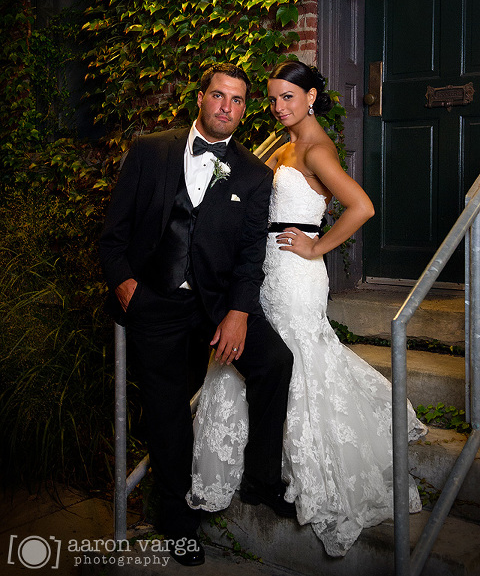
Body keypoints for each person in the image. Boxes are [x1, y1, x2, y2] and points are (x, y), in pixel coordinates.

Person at [188, 60, 427, 557]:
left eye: (288, 99)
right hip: (265, 273)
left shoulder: (316, 149)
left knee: (297, 358)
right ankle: (252, 467)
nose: (278, 108)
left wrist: (317, 248)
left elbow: (361, 206)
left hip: (296, 276)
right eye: (273, 99)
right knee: (258, 359)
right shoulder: (282, 144)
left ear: (312, 97)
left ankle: (288, 470)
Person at [99, 63, 295, 567]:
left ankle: (261, 479)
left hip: (215, 308)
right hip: (155, 306)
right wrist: (124, 282)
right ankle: (179, 526)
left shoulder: (254, 174)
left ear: (244, 109)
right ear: (202, 97)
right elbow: (113, 231)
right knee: (166, 416)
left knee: (274, 362)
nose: (226, 107)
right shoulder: (149, 150)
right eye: (218, 96)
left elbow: (252, 256)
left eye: (237, 100)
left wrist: (237, 313)